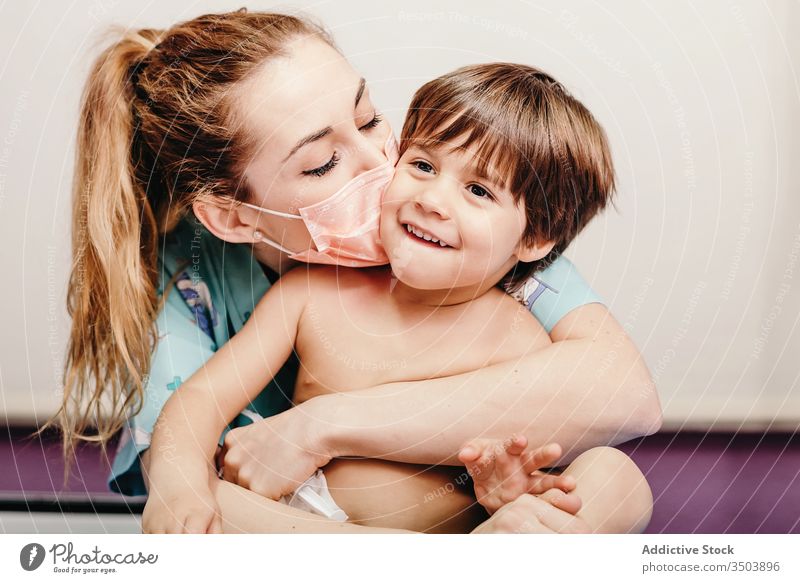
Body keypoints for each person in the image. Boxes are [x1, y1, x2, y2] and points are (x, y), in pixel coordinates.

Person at [51, 9, 660, 533]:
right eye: (321, 165)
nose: (384, 166)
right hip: (312, 522)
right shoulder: (238, 284)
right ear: (232, 217)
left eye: (370, 120)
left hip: (461, 527)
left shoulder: (485, 246)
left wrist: (327, 427)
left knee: (613, 477)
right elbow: (180, 444)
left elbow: (615, 398)